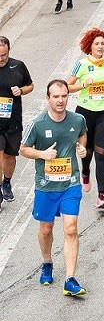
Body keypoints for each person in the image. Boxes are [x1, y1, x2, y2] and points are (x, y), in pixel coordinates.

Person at [20, 79, 88, 296]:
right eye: (56, 97)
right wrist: (42, 154)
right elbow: (23, 149)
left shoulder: (78, 119)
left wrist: (82, 148)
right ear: (47, 98)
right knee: (46, 229)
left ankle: (70, 279)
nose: (60, 100)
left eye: (64, 96)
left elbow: (82, 134)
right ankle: (47, 262)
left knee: (71, 228)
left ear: (68, 96)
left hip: (70, 183)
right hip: (46, 185)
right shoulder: (38, 124)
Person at [67, 28, 104, 209]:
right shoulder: (82, 65)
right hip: (85, 112)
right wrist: (84, 84)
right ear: (89, 46)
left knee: (101, 153)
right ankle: (85, 171)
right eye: (96, 44)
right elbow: (67, 86)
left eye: (102, 44)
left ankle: (102, 195)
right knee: (87, 150)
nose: (100, 46)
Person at [0, 36, 34, 207]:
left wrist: (20, 90)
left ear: (8, 51)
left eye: (4, 55)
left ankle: (6, 182)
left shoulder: (18, 66)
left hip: (13, 120)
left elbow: (31, 86)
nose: (1, 59)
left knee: (10, 156)